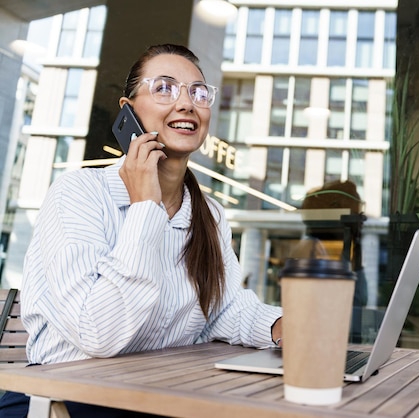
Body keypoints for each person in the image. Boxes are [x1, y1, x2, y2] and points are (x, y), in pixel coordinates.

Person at [0, 44, 282, 417]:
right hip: (65, 400)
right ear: (128, 112)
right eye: (164, 88)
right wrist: (145, 206)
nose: (186, 103)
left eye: (198, 92)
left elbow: (225, 309)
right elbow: (99, 333)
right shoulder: (78, 194)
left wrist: (283, 328)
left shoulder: (207, 214)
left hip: (156, 395)